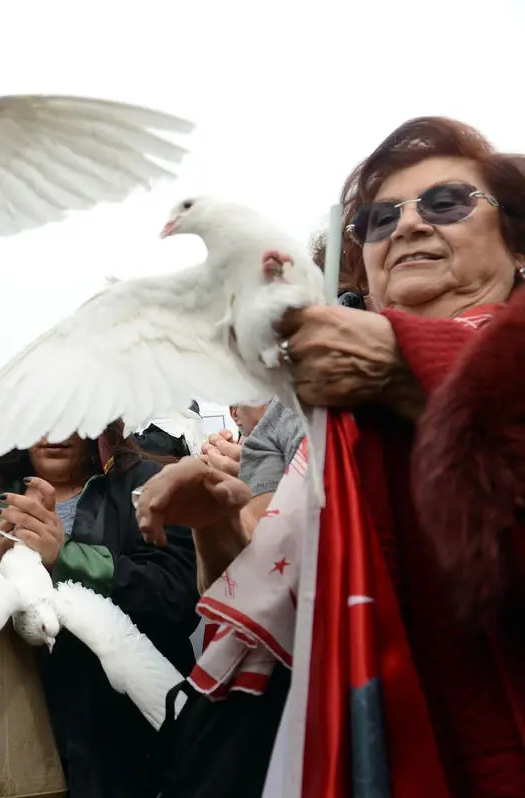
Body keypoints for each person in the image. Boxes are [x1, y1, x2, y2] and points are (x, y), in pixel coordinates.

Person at [139, 116, 525, 797]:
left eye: (446, 203)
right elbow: (277, 607)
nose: (407, 226)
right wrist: (213, 525)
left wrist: (411, 370)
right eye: (379, 219)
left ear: (518, 244)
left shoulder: (378, 374)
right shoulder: (328, 415)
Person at [0, 427, 198, 798]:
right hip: (1, 730)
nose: (54, 433)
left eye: (70, 417)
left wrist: (67, 557)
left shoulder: (147, 486)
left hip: (116, 745)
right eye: (40, 418)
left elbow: (177, 594)